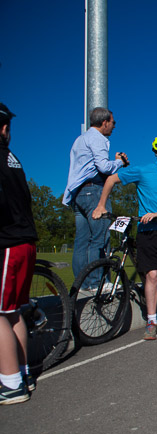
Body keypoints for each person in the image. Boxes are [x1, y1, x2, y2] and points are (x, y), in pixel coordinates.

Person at [92, 135, 157, 342]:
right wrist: (101, 205)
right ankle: (151, 321)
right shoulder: (143, 171)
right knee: (152, 276)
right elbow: (111, 179)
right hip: (147, 232)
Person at [64, 107, 128, 290]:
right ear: (104, 122)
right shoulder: (98, 138)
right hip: (94, 191)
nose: (114, 126)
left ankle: (81, 284)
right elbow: (104, 167)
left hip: (78, 193)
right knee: (100, 238)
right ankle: (97, 283)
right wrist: (120, 162)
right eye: (113, 122)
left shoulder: (80, 139)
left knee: (82, 241)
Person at [0, 103, 38, 404]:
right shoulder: (12, 158)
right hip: (24, 240)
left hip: (7, 241)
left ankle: (11, 383)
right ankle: (22, 373)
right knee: (12, 311)